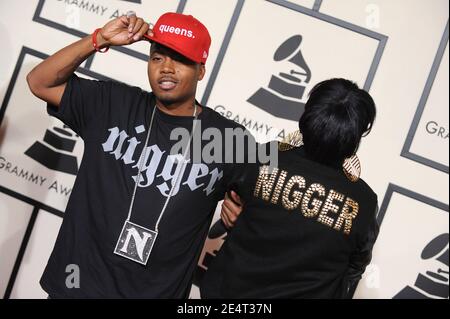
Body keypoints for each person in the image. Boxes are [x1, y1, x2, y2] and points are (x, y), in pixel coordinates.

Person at [26, 11, 249, 298]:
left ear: (201, 70)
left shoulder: (228, 139)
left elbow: (260, 207)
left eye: (179, 59)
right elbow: (40, 82)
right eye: (157, 57)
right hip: (76, 287)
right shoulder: (112, 105)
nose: (166, 68)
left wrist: (243, 218)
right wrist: (99, 39)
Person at [200, 78, 379, 299]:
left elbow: (225, 197)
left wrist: (241, 220)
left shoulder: (265, 156)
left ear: (307, 116)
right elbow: (353, 270)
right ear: (357, 134)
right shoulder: (364, 200)